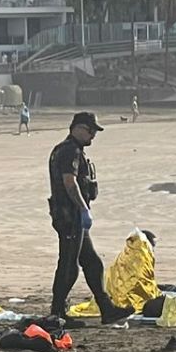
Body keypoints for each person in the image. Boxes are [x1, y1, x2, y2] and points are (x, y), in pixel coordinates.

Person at [47, 111, 125, 323]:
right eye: (91, 131)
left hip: (72, 216)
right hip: (70, 215)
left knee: (92, 262)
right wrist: (83, 209)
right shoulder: (69, 151)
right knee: (69, 265)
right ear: (79, 128)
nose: (93, 136)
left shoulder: (68, 150)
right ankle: (57, 313)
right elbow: (70, 183)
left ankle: (106, 308)